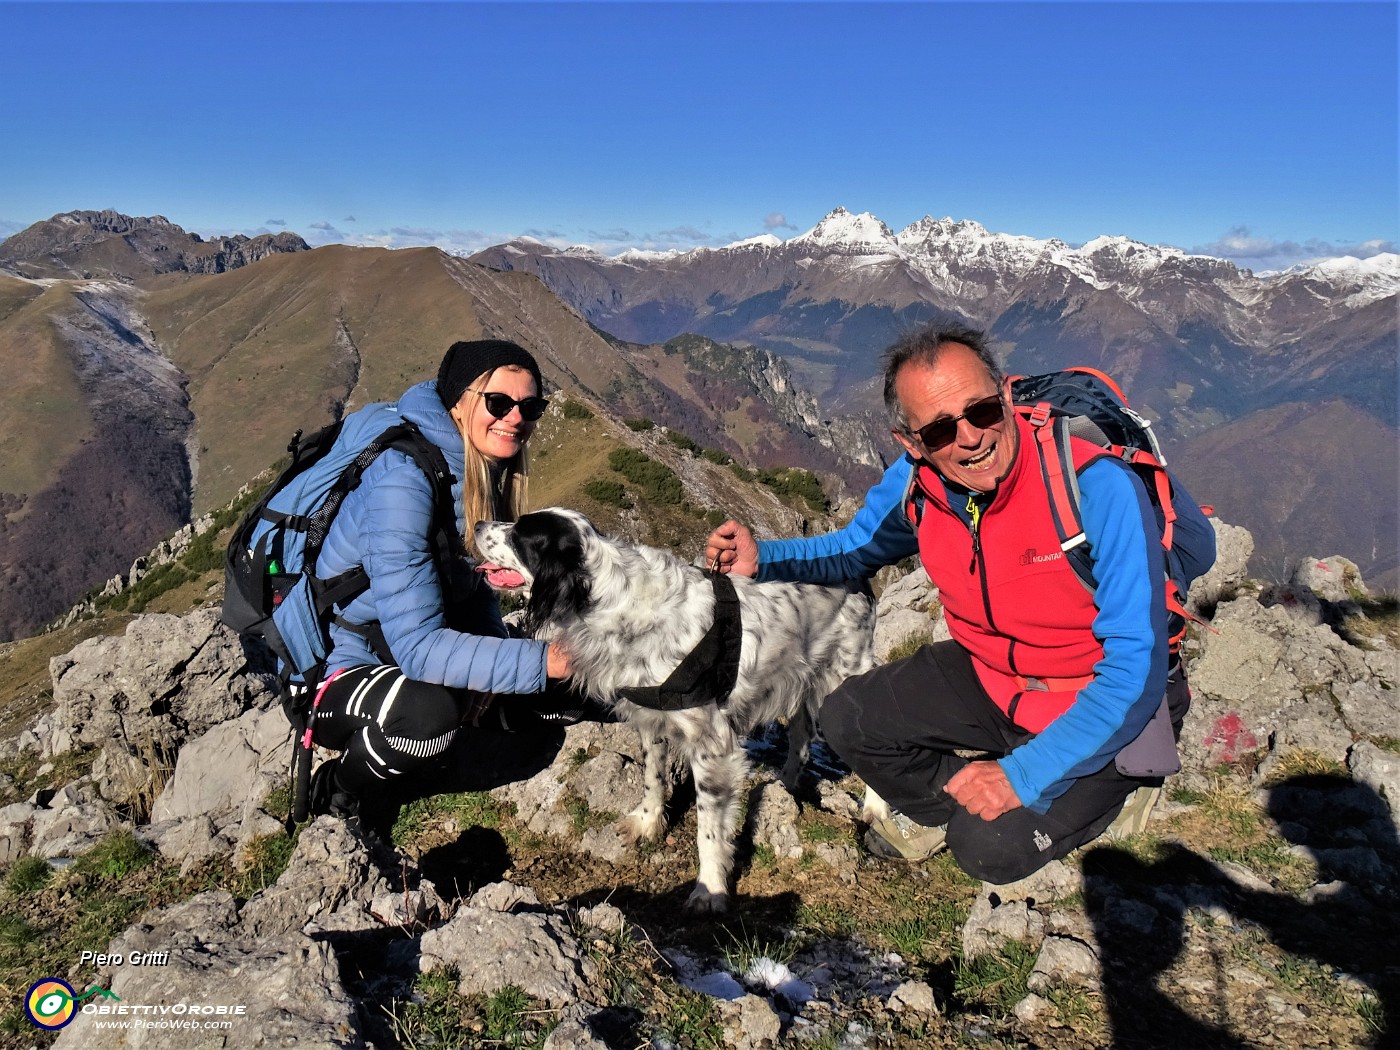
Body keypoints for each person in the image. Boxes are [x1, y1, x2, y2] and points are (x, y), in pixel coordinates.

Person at [705, 323, 1215, 884]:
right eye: (942, 429)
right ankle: (984, 795)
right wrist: (764, 560)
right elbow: (852, 552)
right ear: (911, 442)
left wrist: (1019, 776)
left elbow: (1133, 672)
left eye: (983, 412)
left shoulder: (1092, 484)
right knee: (847, 716)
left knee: (986, 849)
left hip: (1096, 696)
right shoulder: (917, 485)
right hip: (996, 677)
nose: (970, 437)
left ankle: (1120, 785)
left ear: (1004, 395)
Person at [306, 338, 586, 841]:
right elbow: (417, 648)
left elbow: (467, 584)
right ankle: (340, 788)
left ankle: (474, 727)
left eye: (531, 406)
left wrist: (495, 664)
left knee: (568, 694)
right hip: (341, 661)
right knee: (430, 717)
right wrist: (543, 662)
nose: (516, 418)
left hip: (411, 647)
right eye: (499, 403)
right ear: (459, 401)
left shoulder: (469, 467)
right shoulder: (403, 481)